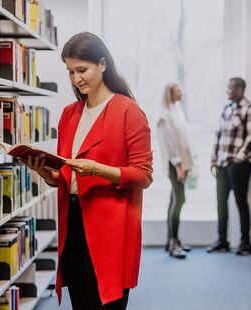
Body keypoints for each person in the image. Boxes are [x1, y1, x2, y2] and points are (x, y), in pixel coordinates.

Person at [23, 32, 153, 309]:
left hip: (109, 227)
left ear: (102, 64)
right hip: (73, 221)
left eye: (82, 70)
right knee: (80, 301)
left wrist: (97, 169)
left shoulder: (129, 111)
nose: (75, 78)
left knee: (106, 302)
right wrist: (49, 175)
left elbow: (143, 175)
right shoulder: (70, 113)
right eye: (70, 71)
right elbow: (68, 175)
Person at [207, 77, 251, 256]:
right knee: (221, 203)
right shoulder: (226, 109)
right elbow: (218, 135)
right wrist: (214, 159)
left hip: (238, 166)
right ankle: (222, 241)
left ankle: (245, 243)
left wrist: (239, 158)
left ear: (241, 89)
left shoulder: (249, 109)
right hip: (221, 164)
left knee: (240, 203)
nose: (229, 92)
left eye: (232, 89)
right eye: (228, 89)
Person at [157, 83, 194, 259]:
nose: (182, 92)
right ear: (170, 94)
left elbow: (183, 140)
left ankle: (171, 240)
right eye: (178, 90)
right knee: (180, 199)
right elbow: (171, 144)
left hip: (182, 163)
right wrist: (179, 165)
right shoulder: (166, 114)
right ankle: (173, 242)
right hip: (174, 164)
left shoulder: (177, 110)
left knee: (174, 198)